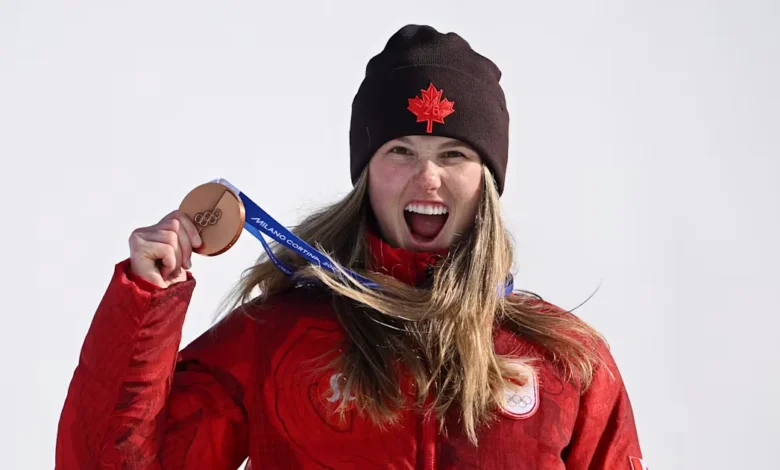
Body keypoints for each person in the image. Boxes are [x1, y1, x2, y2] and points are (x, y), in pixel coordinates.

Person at [55, 24, 646, 469]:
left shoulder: (567, 361)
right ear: (366, 175)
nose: (428, 178)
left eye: (454, 155)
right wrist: (145, 304)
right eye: (400, 152)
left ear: (487, 182)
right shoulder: (274, 339)